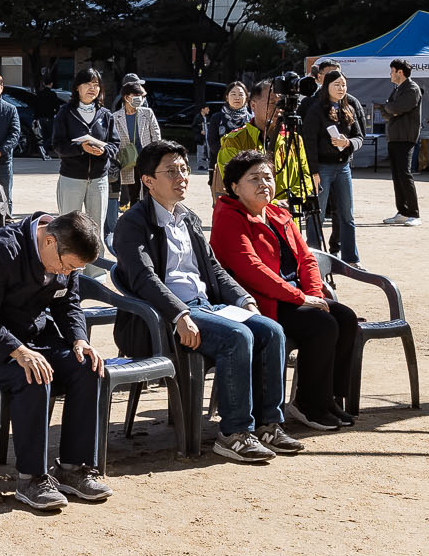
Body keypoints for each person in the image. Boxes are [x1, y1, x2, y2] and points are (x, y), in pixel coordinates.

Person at [113, 143, 294, 460]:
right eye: (171, 171)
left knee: (270, 330)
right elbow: (144, 280)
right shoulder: (132, 224)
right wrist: (179, 314)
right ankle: (234, 433)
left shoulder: (189, 219)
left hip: (207, 308)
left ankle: (268, 425)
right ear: (147, 180)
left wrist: (243, 299)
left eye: (184, 169)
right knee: (237, 337)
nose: (181, 176)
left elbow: (214, 269)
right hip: (162, 318)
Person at [0, 209, 109, 511]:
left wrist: (80, 339)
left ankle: (73, 469)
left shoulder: (66, 252)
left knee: (87, 368)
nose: (66, 273)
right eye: (66, 266)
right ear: (49, 241)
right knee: (33, 374)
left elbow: (68, 303)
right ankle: (31, 478)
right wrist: (17, 350)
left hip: (33, 339)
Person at [209, 149, 365, 429]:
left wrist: (314, 293)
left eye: (267, 177)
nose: (263, 184)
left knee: (345, 317)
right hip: (262, 303)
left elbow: (306, 257)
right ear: (235, 186)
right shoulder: (229, 217)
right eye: (254, 178)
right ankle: (307, 404)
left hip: (297, 296)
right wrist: (300, 297)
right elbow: (252, 270)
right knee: (322, 325)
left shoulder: (278, 213)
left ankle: (328, 398)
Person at [50, 66, 116, 262]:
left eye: (96, 85)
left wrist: (103, 150)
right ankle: (69, 269)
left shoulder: (105, 115)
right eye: (87, 84)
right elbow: (57, 145)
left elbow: (115, 145)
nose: (92, 88)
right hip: (71, 178)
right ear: (77, 87)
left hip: (99, 180)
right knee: (68, 227)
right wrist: (81, 149)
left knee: (96, 228)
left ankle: (96, 272)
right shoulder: (65, 113)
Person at [217, 80, 314, 213]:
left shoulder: (294, 140)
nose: (279, 108)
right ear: (253, 105)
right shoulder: (234, 141)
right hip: (251, 219)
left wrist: (292, 201)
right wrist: (274, 205)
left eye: (281, 103)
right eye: (272, 102)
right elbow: (234, 184)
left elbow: (305, 180)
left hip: (287, 219)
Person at [302, 70, 365, 260]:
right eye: (336, 84)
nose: (341, 88)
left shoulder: (349, 108)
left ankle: (351, 259)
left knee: (347, 214)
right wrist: (313, 172)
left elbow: (360, 137)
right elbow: (309, 142)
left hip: (343, 167)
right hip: (322, 167)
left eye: (343, 85)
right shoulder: (315, 110)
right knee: (316, 215)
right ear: (326, 86)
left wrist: (348, 143)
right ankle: (314, 258)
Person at [377, 59, 424, 227]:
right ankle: (402, 211)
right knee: (397, 175)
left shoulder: (412, 89)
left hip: (405, 136)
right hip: (394, 136)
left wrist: (391, 108)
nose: (390, 74)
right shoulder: (397, 89)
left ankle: (414, 213)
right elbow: (387, 110)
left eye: (392, 71)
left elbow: (395, 108)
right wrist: (391, 108)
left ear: (400, 72)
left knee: (405, 173)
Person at [108, 76, 161, 220]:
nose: (140, 99)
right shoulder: (115, 116)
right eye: (137, 96)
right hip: (128, 160)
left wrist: (157, 154)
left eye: (142, 96)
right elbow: (114, 140)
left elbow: (156, 134)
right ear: (126, 97)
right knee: (133, 190)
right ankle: (135, 219)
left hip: (147, 156)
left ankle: (150, 216)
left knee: (149, 188)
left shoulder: (147, 113)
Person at [203, 81, 252, 174]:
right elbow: (212, 142)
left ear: (246, 97)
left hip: (246, 165)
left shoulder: (252, 119)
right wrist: (228, 156)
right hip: (221, 164)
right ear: (227, 97)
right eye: (233, 94)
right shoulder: (217, 118)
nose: (237, 97)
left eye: (241, 94)